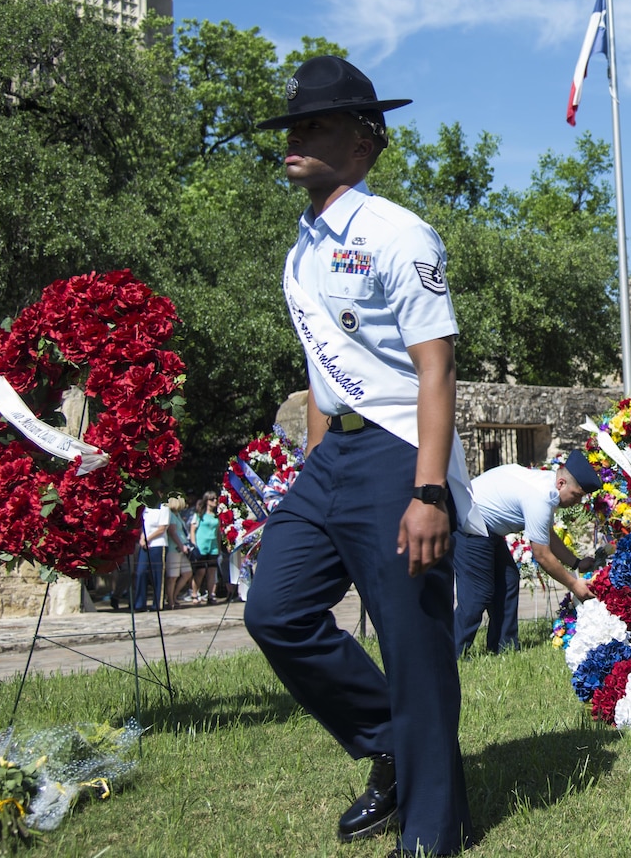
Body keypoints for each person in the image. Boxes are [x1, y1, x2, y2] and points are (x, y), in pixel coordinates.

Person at [242, 56, 478, 857]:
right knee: (274, 612)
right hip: (330, 459)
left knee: (411, 647)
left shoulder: (397, 234)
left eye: (314, 125)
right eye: (291, 126)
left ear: (363, 142)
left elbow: (436, 369)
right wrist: (311, 469)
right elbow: (319, 373)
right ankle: (391, 746)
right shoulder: (302, 248)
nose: (295, 138)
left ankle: (433, 829)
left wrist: (429, 492)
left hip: (397, 454)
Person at [455, 451, 600, 656]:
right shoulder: (540, 496)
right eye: (576, 495)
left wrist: (576, 563)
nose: (577, 502)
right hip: (469, 523)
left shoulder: (546, 486)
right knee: (478, 593)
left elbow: (546, 534)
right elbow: (542, 554)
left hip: (486, 526)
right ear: (561, 483)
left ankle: (504, 649)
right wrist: (574, 584)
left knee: (508, 579)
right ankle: (453, 653)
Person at [132, 503, 170, 611]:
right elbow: (144, 525)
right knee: (141, 572)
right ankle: (140, 603)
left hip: (158, 544)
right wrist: (142, 538)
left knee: (157, 575)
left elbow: (162, 528)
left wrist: (147, 538)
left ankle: (158, 604)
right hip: (145, 545)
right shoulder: (146, 508)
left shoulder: (164, 507)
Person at [189, 492, 222, 604]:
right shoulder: (199, 515)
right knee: (200, 571)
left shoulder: (217, 516)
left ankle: (211, 594)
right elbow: (192, 530)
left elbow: (218, 533)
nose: (214, 501)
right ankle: (194, 593)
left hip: (213, 546)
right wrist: (194, 545)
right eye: (212, 499)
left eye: (216, 499)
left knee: (212, 571)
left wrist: (218, 547)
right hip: (201, 546)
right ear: (206, 501)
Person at [163, 495, 194, 608]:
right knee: (172, 576)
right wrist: (181, 546)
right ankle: (170, 600)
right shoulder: (170, 515)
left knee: (187, 573)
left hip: (182, 548)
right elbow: (172, 532)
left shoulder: (178, 515)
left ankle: (174, 595)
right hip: (174, 549)